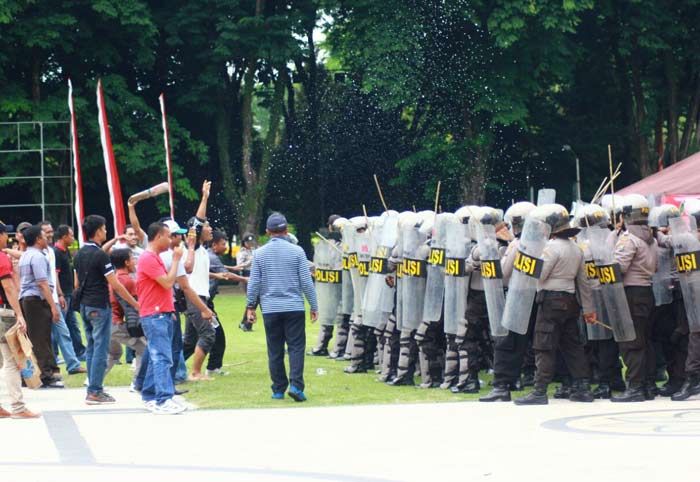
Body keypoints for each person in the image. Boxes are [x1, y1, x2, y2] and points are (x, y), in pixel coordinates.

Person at [515, 204, 597, 405]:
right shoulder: (577, 250)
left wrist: (528, 258)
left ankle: (539, 390)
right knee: (573, 347)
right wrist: (589, 310)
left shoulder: (551, 248)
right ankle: (582, 388)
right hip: (570, 302)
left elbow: (541, 274)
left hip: (551, 301)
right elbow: (583, 283)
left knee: (544, 345)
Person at [246, 212, 318, 401]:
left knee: (275, 349)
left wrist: (250, 306)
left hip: (270, 308)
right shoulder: (297, 252)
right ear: (286, 231)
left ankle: (278, 389)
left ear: (268, 231)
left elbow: (254, 282)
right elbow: (306, 281)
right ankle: (296, 385)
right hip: (294, 306)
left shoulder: (259, 254)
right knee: (296, 347)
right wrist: (314, 305)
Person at [74, 215, 138, 405]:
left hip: (85, 305)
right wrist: (135, 304)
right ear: (98, 231)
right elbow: (115, 284)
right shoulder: (101, 256)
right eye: (104, 228)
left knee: (92, 347)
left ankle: (92, 389)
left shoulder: (79, 254)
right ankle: (95, 391)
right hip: (99, 306)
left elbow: (77, 283)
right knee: (101, 349)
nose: (106, 231)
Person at [610, 194, 659, 403]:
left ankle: (635, 387)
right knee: (645, 340)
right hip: (647, 291)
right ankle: (647, 384)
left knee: (632, 341)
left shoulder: (629, 239)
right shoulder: (652, 238)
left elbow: (619, 267)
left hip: (631, 292)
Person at [137, 222, 186, 415]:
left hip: (161, 312)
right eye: (168, 236)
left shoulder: (153, 257)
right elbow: (167, 283)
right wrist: (175, 260)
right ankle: (163, 399)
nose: (171, 240)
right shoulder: (148, 258)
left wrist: (169, 309)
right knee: (162, 357)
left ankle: (150, 395)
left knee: (157, 356)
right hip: (154, 314)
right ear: (158, 236)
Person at [0, 221, 40, 418]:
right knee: (12, 360)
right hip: (4, 313)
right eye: (4, 234)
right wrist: (19, 314)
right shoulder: (1, 258)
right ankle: (17, 406)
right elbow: (8, 288)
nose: (6, 238)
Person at [18, 225, 63, 388]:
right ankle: (46, 375)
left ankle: (33, 374)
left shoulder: (25, 255)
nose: (47, 238)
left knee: (34, 338)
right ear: (38, 239)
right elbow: (43, 283)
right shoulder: (37, 257)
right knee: (41, 339)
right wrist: (53, 306)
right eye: (44, 236)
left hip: (27, 300)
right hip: (36, 300)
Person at [182, 180, 217, 381]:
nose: (210, 229)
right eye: (207, 227)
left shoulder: (202, 250)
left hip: (200, 297)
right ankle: (195, 373)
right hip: (195, 298)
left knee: (189, 342)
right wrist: (204, 197)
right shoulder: (192, 246)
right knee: (208, 334)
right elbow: (198, 221)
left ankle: (169, 367)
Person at [39, 221, 84, 376]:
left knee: (65, 329)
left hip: (57, 297)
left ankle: (71, 363)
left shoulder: (51, 252)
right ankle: (57, 362)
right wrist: (59, 294)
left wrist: (59, 295)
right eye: (46, 232)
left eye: (51, 231)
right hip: (46, 300)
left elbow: (52, 276)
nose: (49, 234)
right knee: (55, 332)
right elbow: (47, 279)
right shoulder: (45, 253)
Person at [207, 230, 247, 376]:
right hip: (203, 304)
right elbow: (226, 275)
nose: (225, 247)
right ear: (214, 245)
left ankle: (213, 367)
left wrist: (233, 268)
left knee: (210, 337)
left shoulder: (208, 255)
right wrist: (246, 280)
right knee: (214, 337)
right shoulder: (211, 256)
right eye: (223, 244)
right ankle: (211, 368)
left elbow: (220, 267)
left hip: (205, 303)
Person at [106, 249, 147, 388]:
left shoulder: (114, 277)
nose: (135, 261)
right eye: (132, 258)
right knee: (143, 348)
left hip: (108, 321)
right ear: (126, 262)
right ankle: (137, 382)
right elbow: (136, 304)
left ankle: (92, 380)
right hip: (117, 322)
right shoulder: (127, 281)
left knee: (113, 353)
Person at [54, 224, 86, 359]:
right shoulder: (56, 253)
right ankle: (55, 355)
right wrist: (60, 294)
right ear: (64, 237)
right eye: (71, 235)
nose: (73, 238)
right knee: (60, 327)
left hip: (69, 293)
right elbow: (55, 275)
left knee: (73, 325)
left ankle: (79, 352)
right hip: (63, 295)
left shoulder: (65, 251)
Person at [236, 232, 256, 331]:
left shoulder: (254, 251)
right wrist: (250, 261)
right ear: (244, 242)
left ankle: (245, 323)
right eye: (248, 241)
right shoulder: (241, 253)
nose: (250, 243)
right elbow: (239, 266)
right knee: (252, 300)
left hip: (255, 274)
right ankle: (247, 324)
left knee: (253, 301)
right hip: (247, 275)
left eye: (251, 241)